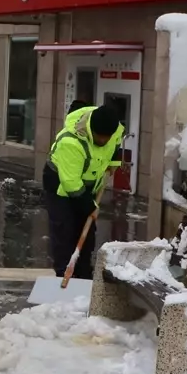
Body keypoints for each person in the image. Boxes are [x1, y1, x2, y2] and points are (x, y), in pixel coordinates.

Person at [42, 104, 125, 281]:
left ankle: (84, 275)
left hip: (88, 185)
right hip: (61, 186)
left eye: (106, 138)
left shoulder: (115, 129)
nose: (103, 141)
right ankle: (63, 275)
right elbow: (71, 184)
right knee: (65, 231)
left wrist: (113, 164)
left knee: (86, 233)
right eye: (99, 137)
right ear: (91, 129)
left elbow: (116, 145)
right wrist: (90, 207)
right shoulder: (71, 141)